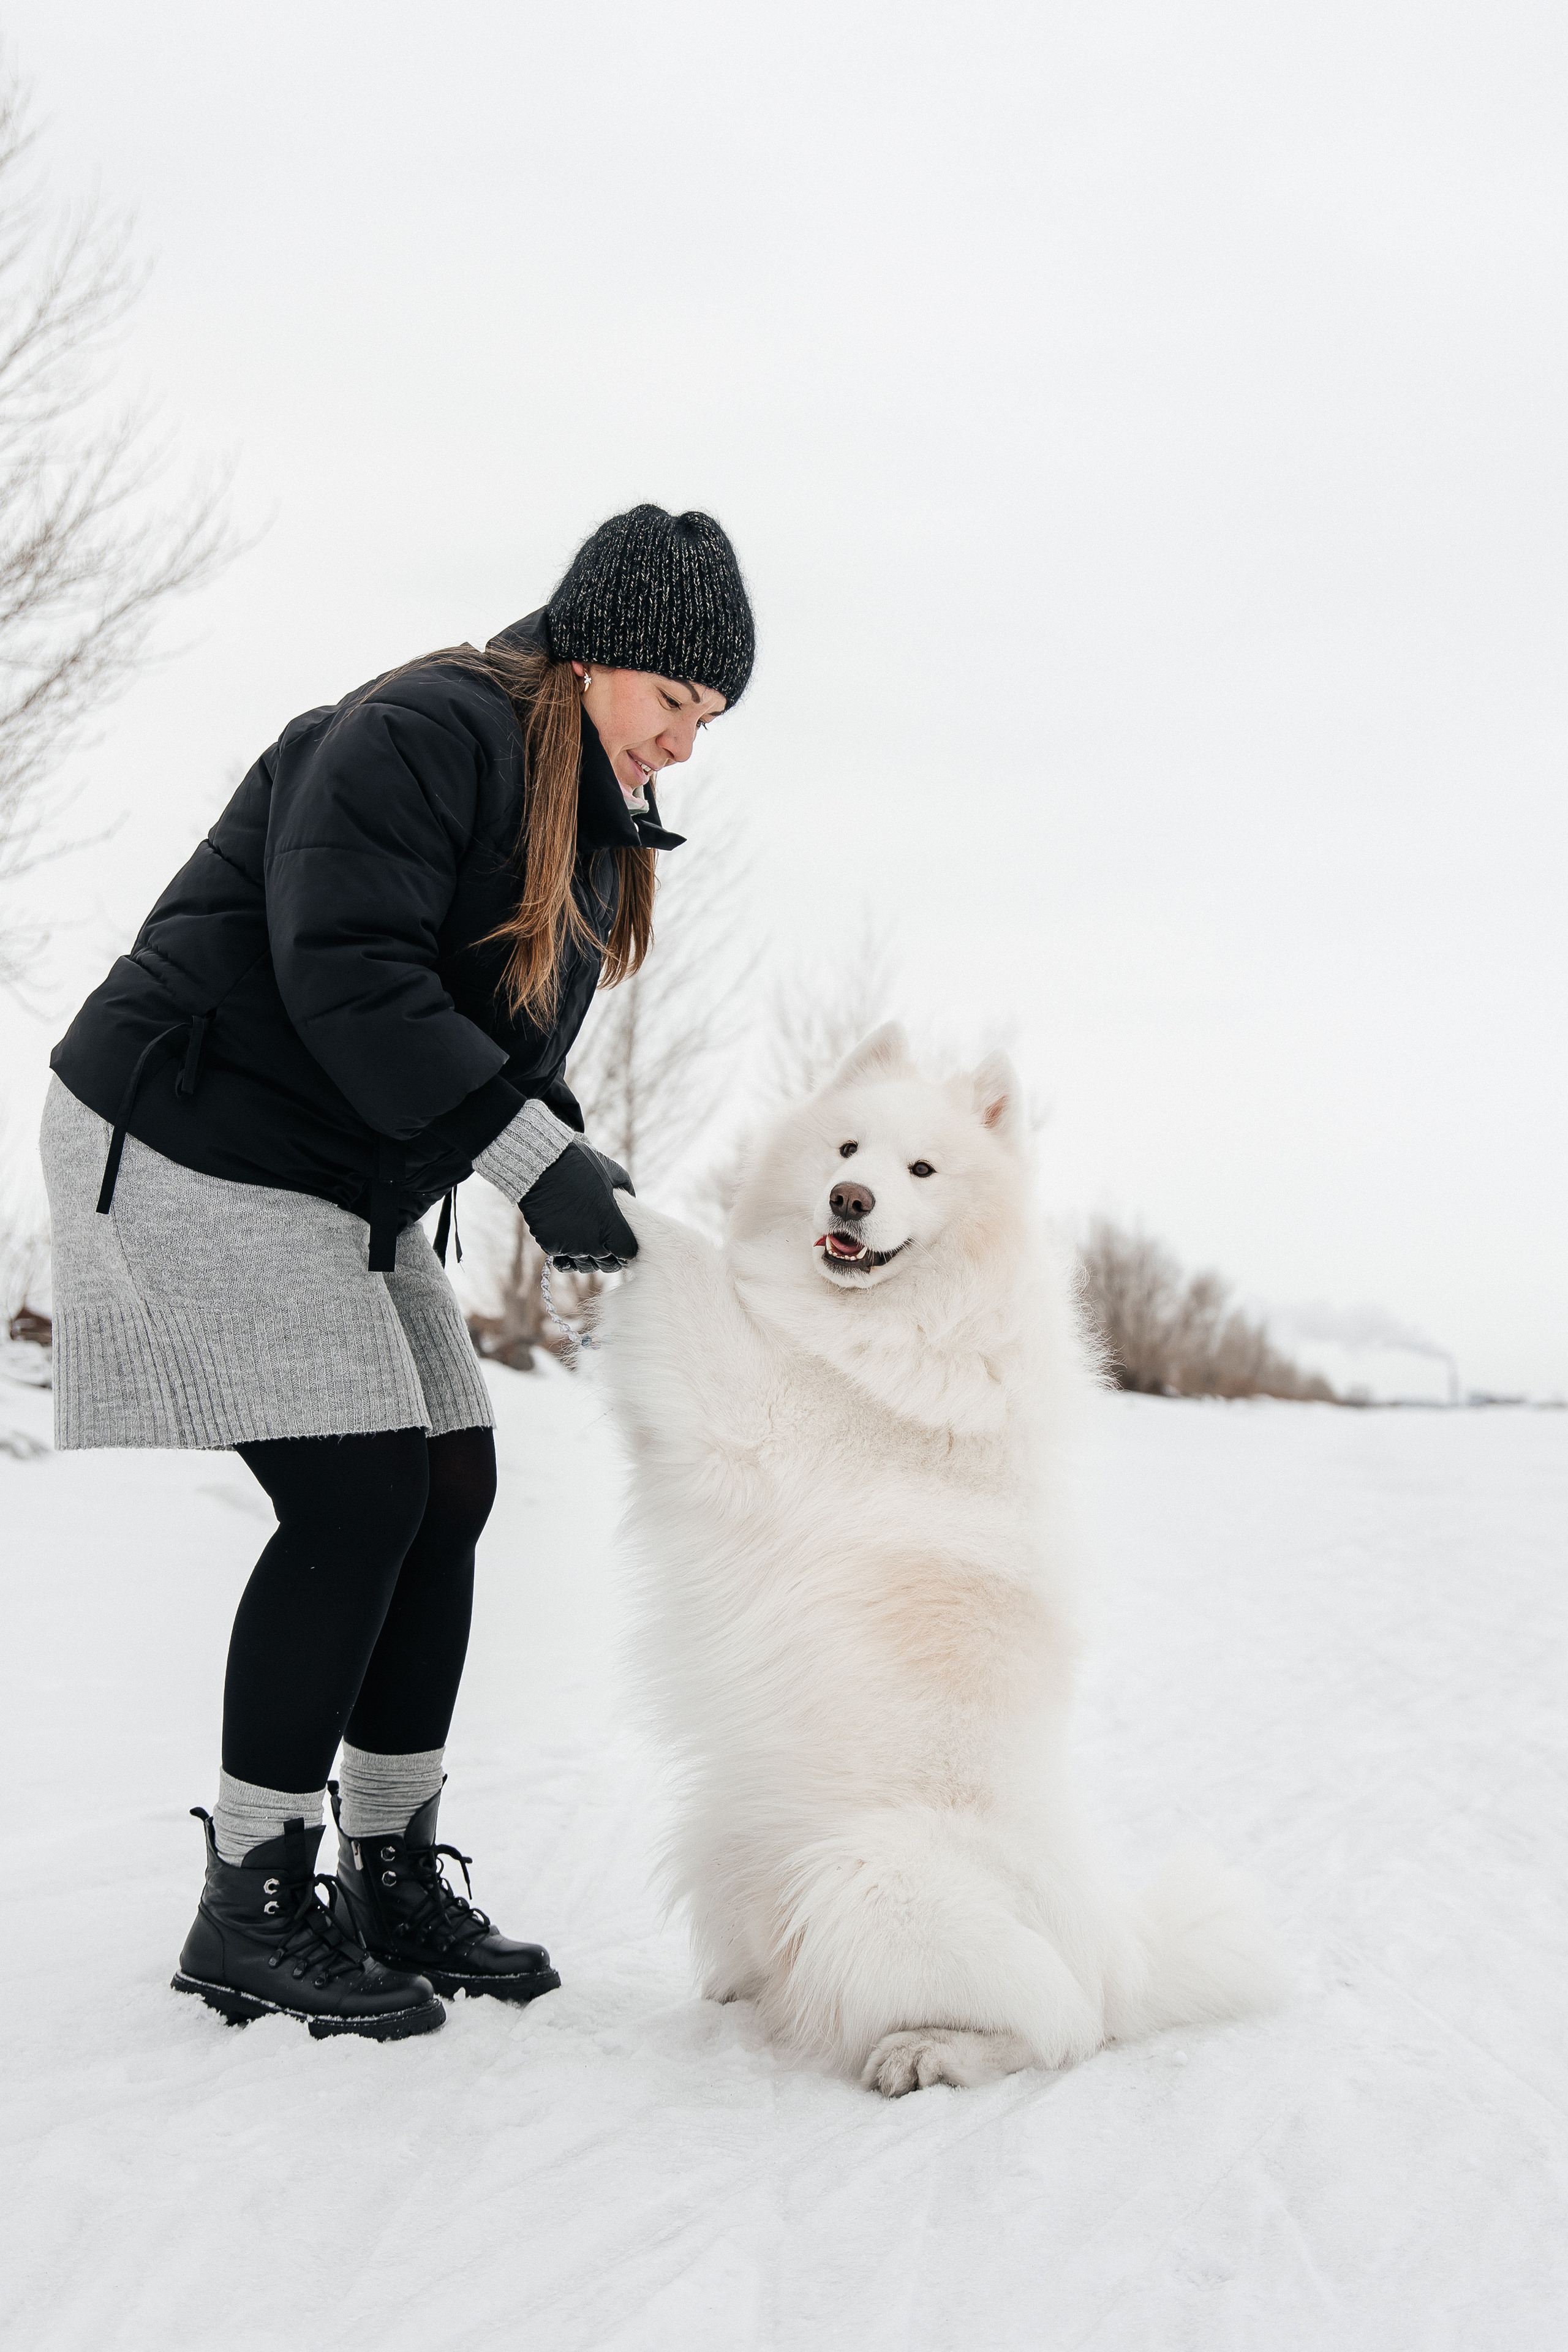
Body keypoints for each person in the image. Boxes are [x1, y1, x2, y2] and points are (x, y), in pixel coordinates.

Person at [42, 503, 754, 2041]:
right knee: (359, 1491)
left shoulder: (584, 826)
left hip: (339, 1167)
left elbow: (498, 1058)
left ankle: (388, 1871)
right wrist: (527, 1161)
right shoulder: (428, 727)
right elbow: (346, 973)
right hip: (188, 1128)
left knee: (447, 1482)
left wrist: (591, 1185)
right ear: (593, 653)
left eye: (707, 721)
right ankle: (250, 1897)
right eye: (675, 703)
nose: (687, 745)